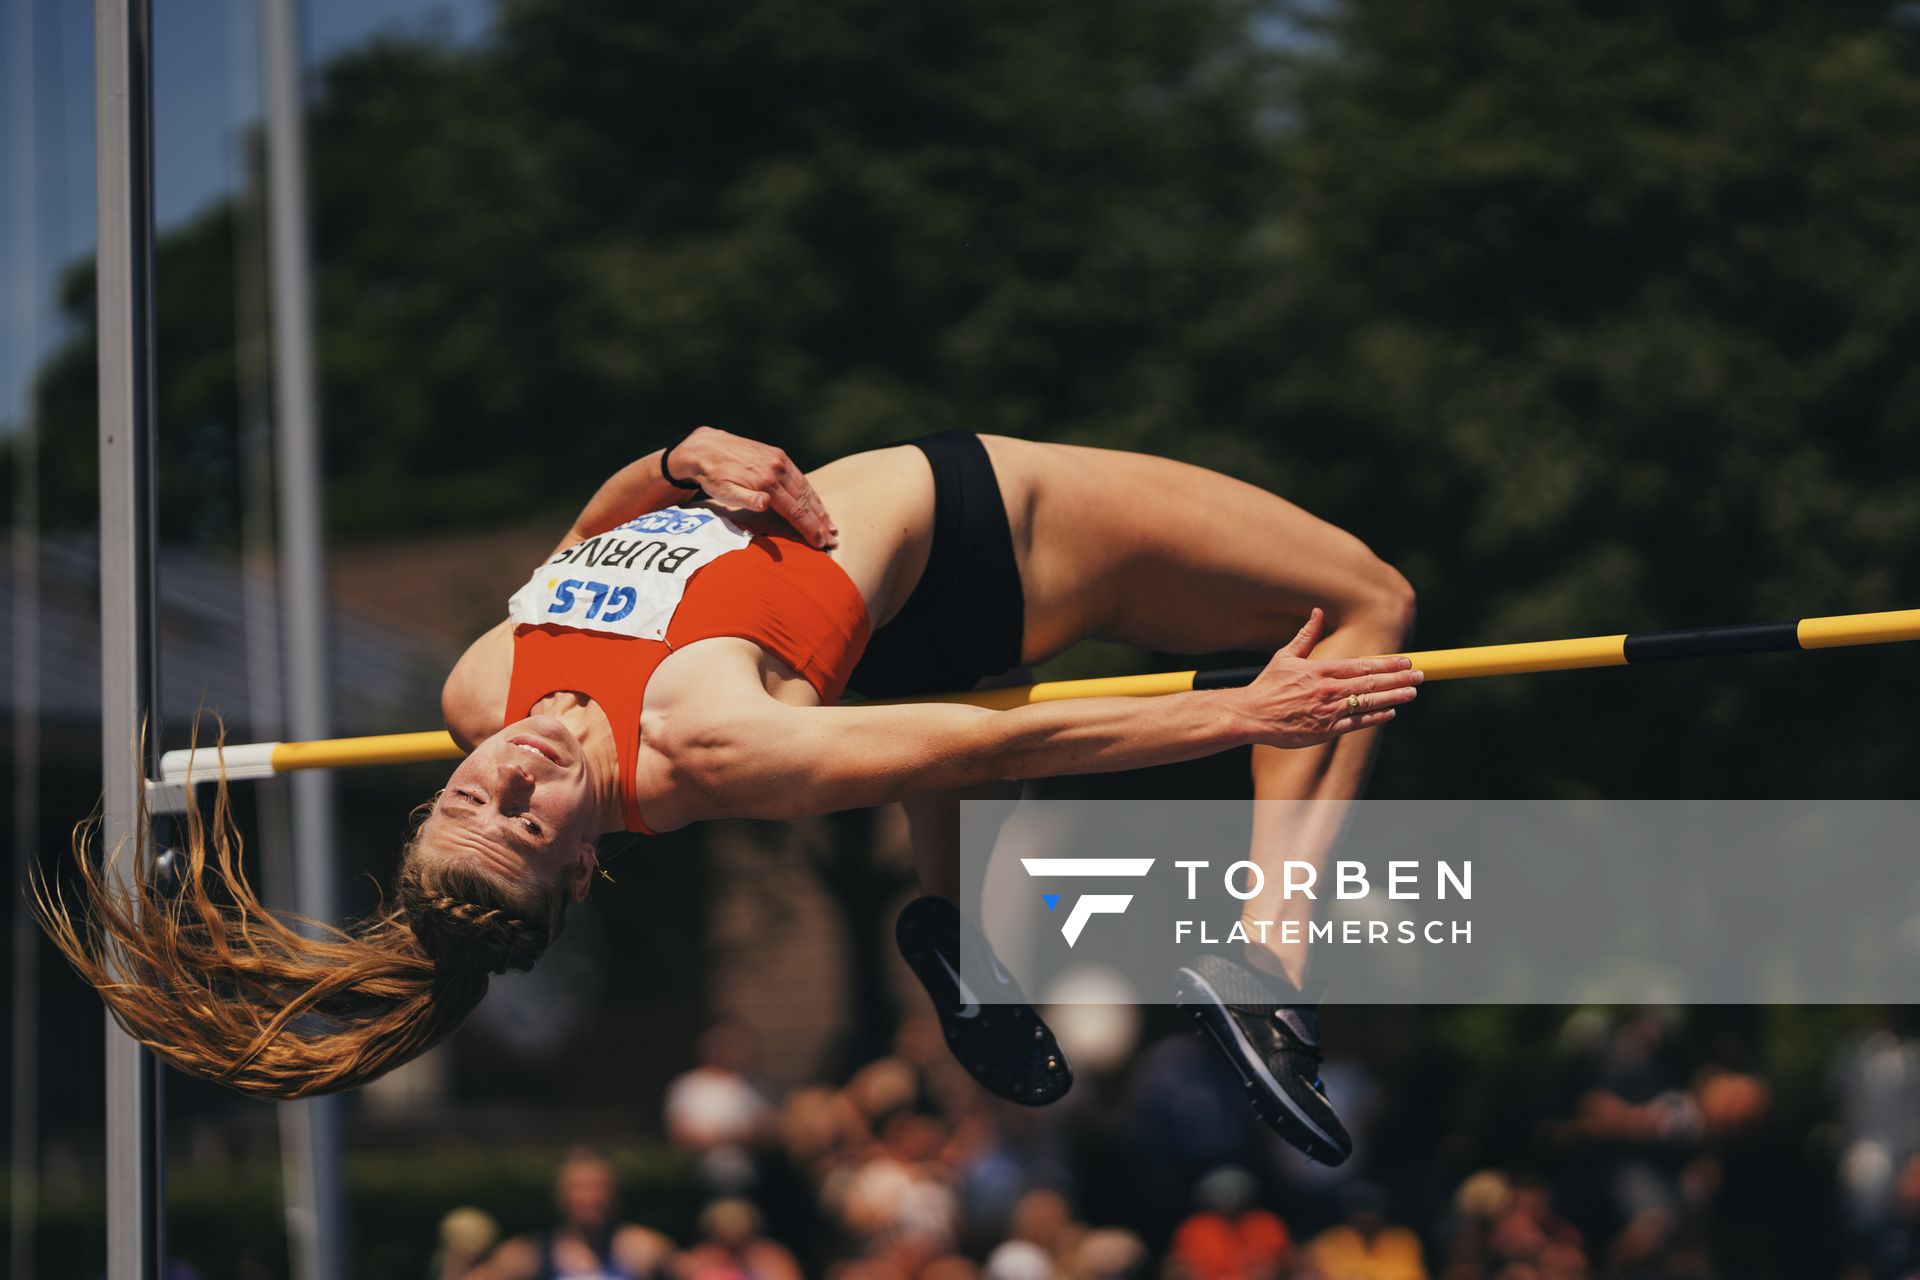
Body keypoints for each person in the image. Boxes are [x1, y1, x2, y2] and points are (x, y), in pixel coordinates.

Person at [38, 427, 1419, 1164]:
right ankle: (1272, 953)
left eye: (471, 804)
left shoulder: (477, 687)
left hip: (899, 629)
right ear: (583, 869)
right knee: (1362, 604)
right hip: (999, 531)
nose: (509, 780)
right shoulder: (709, 751)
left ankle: (961, 934)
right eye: (530, 830)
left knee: (935, 711)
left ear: (436, 794)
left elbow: (598, 538)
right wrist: (1236, 715)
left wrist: (679, 461)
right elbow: (986, 754)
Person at [461, 1147, 675, 1280]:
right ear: (560, 1196)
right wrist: (458, 1258)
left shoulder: (644, 1249)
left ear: (613, 1193)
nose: (589, 1198)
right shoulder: (528, 1255)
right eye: (577, 1187)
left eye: (597, 1187)